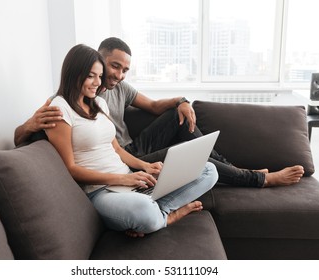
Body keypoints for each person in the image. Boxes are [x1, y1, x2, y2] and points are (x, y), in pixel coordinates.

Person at [14, 37, 304, 188]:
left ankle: (240, 170)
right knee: (185, 152)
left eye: (125, 69)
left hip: (131, 149)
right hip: (122, 161)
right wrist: (27, 125)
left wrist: (182, 100)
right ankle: (258, 179)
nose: (118, 74)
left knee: (176, 118)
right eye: (114, 66)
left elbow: (153, 107)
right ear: (97, 60)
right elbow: (22, 136)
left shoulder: (119, 90)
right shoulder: (66, 100)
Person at [44, 44, 218, 237]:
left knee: (209, 171)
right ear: (74, 73)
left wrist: (145, 166)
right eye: (91, 76)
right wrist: (123, 179)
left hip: (129, 182)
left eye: (99, 76)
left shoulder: (99, 103)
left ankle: (152, 213)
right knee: (143, 209)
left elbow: (117, 149)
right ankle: (167, 216)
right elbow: (70, 169)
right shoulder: (59, 109)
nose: (97, 82)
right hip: (101, 192)